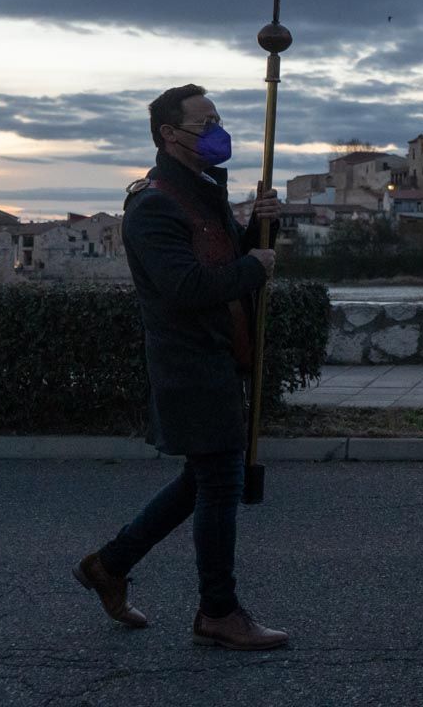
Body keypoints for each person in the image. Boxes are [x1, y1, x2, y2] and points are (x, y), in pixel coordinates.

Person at [73, 83, 289, 650]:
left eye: (218, 119)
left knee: (206, 478)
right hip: (189, 364)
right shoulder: (152, 205)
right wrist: (256, 269)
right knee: (220, 481)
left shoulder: (200, 187)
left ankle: (110, 565)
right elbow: (185, 287)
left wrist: (262, 228)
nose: (217, 131)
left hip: (219, 353)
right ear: (170, 134)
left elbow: (225, 257)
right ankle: (218, 611)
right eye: (204, 122)